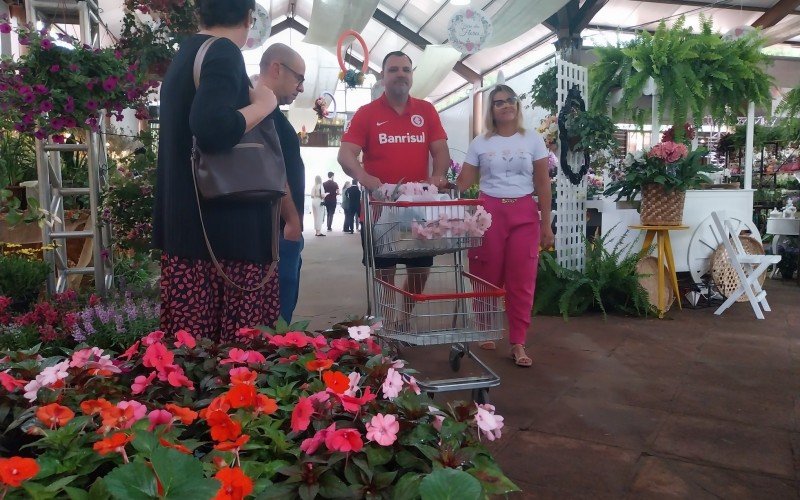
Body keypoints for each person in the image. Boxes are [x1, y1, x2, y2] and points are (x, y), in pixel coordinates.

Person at [152, 0, 280, 342]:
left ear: (199, 14)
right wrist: (263, 106)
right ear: (249, 18)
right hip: (225, 233)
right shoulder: (223, 52)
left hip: (190, 230)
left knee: (190, 356)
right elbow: (212, 127)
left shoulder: (187, 55)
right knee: (234, 364)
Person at [337, 50, 450, 302]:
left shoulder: (426, 110)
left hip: (419, 210)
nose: (400, 74)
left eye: (405, 70)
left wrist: (437, 177)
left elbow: (441, 150)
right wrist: (366, 180)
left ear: (411, 76)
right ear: (382, 76)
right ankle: (387, 327)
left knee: (420, 269)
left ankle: (404, 321)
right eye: (393, 69)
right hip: (379, 210)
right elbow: (346, 155)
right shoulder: (366, 114)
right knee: (384, 271)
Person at [456, 84, 554, 367]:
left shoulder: (533, 140)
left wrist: (546, 224)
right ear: (491, 110)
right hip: (488, 213)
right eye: (499, 103)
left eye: (510, 100)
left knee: (522, 278)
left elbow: (542, 184)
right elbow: (464, 182)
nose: (506, 106)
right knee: (485, 270)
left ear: (517, 105)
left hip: (524, 212)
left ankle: (518, 342)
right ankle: (486, 329)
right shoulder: (480, 142)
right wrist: (439, 184)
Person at [258, 43, 306, 324]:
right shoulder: (261, 111)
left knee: (282, 309)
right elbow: (271, 168)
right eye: (299, 78)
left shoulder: (268, 110)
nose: (300, 87)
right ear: (277, 68)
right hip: (278, 228)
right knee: (278, 316)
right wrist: (291, 219)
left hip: (282, 227)